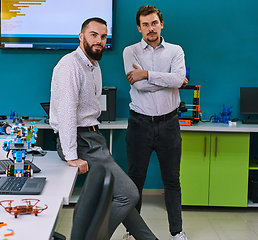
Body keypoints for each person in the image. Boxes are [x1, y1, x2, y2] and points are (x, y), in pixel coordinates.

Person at [50, 17, 158, 240]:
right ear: (81, 37)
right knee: (128, 194)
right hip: (81, 141)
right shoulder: (70, 65)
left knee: (120, 196)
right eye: (93, 35)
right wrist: (71, 155)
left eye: (103, 36)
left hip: (92, 137)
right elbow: (67, 112)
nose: (99, 40)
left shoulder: (93, 65)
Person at [123, 5, 188, 240]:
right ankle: (132, 233)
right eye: (145, 24)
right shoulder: (130, 51)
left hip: (169, 124)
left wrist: (147, 74)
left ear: (161, 24)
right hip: (139, 124)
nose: (151, 28)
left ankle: (176, 232)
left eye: (154, 23)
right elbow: (137, 85)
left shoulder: (175, 50)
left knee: (172, 180)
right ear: (139, 27)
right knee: (135, 181)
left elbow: (178, 79)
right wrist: (169, 80)